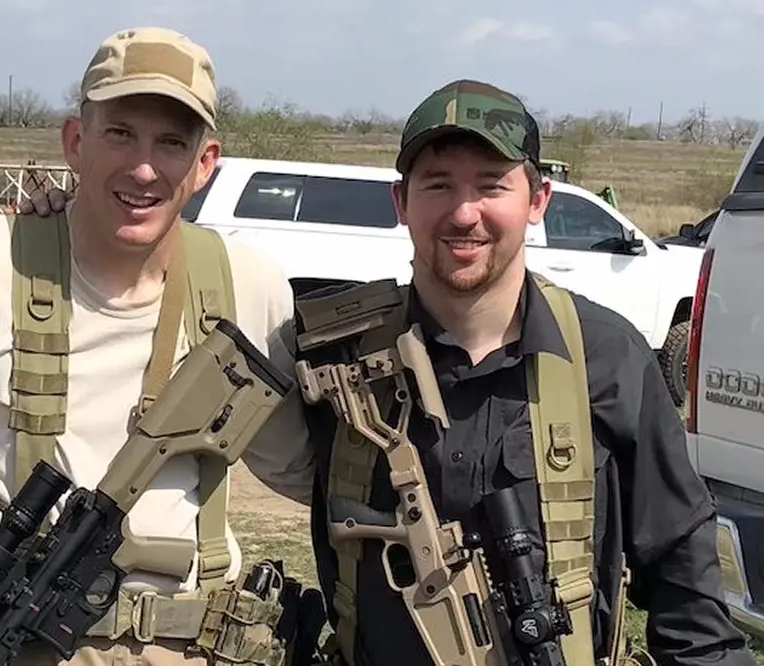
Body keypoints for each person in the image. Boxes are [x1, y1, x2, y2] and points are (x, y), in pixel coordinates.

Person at [0, 26, 315, 666]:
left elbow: (305, 470)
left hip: (194, 649)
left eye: (172, 142)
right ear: (75, 143)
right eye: (119, 133)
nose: (143, 167)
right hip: (12, 642)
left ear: (205, 165)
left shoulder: (249, 286)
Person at [294, 79, 756, 666]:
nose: (465, 213)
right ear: (401, 202)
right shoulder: (337, 362)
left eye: (492, 186)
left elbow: (685, 583)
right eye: (438, 185)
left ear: (538, 200)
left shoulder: (606, 359)